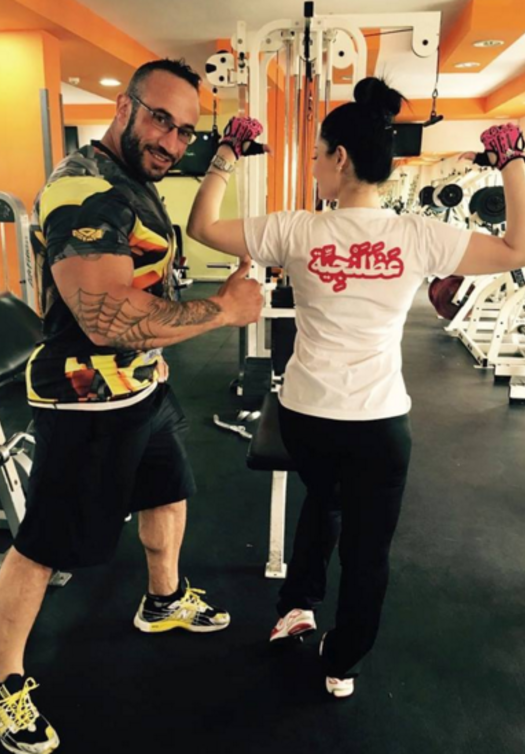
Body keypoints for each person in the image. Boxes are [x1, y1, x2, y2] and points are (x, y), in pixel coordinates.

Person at [187, 77, 525, 699]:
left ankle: (296, 605)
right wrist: (512, 161)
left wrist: (227, 153)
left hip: (306, 419)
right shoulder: (418, 235)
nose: (315, 166)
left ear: (340, 158)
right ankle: (341, 664)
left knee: (325, 497)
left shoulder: (297, 230)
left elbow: (202, 226)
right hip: (379, 425)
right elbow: (516, 248)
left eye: (317, 155)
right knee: (368, 551)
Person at [0, 58, 263, 754]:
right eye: (160, 119)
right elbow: (105, 318)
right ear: (123, 106)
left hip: (140, 383)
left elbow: (140, 285)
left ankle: (162, 598)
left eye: (185, 130)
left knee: (168, 490)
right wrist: (224, 311)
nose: (171, 141)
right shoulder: (86, 192)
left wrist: (225, 156)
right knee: (44, 545)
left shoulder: (130, 176)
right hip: (84, 401)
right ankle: (1, 684)